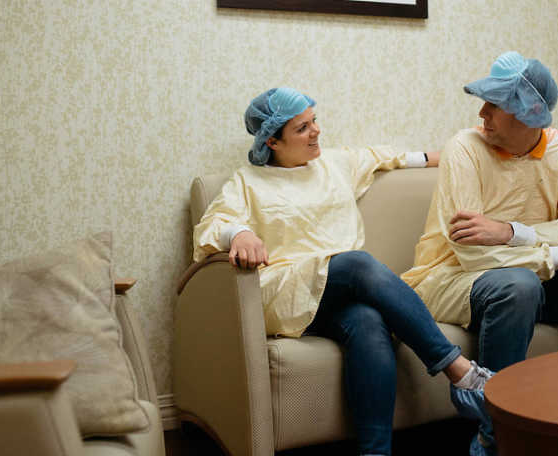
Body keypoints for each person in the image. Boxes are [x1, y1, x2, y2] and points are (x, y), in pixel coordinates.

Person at [192, 87, 494, 456]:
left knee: (368, 321)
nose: (316, 131)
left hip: (339, 294)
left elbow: (395, 158)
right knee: (356, 262)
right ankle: (459, 371)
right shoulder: (248, 181)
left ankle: (375, 452)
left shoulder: (334, 163)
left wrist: (461, 153)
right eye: (302, 128)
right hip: (284, 292)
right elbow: (212, 225)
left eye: (314, 120)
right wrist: (238, 232)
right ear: (272, 139)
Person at [402, 52, 558, 455]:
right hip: (451, 280)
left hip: (533, 281)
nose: (482, 112)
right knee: (519, 285)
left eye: (494, 104)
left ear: (526, 114)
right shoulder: (464, 148)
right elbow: (472, 256)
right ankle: (495, 437)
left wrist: (509, 232)